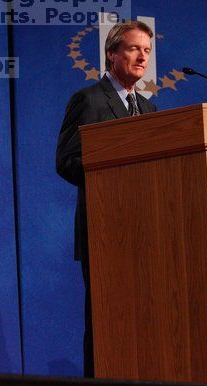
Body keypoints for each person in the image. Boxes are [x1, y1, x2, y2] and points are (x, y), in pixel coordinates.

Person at [56, 20, 157, 377]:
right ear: (112, 54)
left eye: (146, 50)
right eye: (133, 49)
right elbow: (66, 161)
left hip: (145, 232)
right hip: (104, 229)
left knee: (143, 320)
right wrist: (111, 171)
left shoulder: (148, 110)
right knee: (105, 321)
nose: (142, 57)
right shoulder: (89, 100)